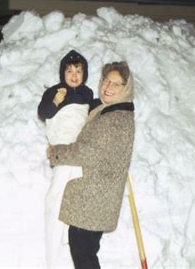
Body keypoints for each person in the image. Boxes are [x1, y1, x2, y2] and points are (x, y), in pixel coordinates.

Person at [47, 61, 135, 268]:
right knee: (84, 253)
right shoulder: (109, 111)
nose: (108, 87)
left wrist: (56, 152)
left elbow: (86, 152)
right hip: (93, 200)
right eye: (105, 80)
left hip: (93, 201)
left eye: (116, 84)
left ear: (126, 88)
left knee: (84, 257)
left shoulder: (115, 119)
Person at [38, 49, 94, 268]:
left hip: (79, 148)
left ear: (84, 74)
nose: (74, 75)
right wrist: (54, 101)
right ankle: (52, 243)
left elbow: (93, 115)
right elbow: (43, 113)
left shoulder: (88, 94)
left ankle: (69, 233)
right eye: (69, 70)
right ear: (63, 73)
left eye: (78, 71)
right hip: (63, 145)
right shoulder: (55, 91)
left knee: (77, 191)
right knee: (58, 191)